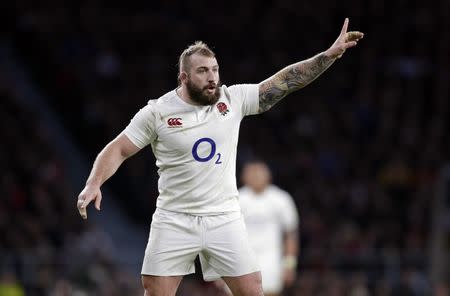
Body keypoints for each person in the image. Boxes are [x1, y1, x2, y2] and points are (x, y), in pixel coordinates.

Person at [77, 18, 363, 296]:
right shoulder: (157, 113)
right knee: (155, 292)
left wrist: (327, 56)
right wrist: (94, 183)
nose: (212, 77)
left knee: (253, 290)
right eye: (203, 71)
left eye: (215, 69)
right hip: (174, 217)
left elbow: (286, 81)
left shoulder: (232, 99)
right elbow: (118, 148)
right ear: (184, 77)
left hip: (224, 217)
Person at [238, 161, 299, 296]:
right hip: (242, 259)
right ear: (244, 176)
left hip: (271, 258)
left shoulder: (281, 199)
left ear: (269, 175)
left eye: (260, 173)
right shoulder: (236, 198)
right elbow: (225, 235)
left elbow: (290, 234)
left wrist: (289, 264)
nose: (256, 177)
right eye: (252, 173)